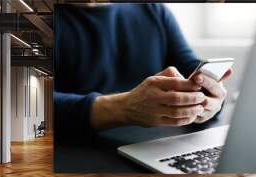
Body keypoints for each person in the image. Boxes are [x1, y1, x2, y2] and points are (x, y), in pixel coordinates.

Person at [54, 3, 232, 136]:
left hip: (161, 142)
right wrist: (123, 108)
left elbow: (189, 66)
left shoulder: (153, 9)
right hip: (78, 149)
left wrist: (212, 97)